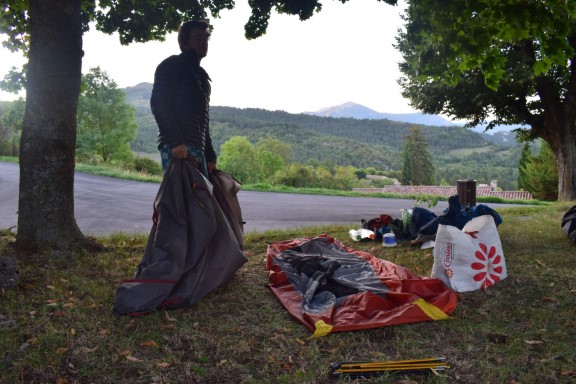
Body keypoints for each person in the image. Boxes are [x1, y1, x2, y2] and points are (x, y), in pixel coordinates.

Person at [150, 19, 216, 177]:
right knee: (178, 198)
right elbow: (159, 103)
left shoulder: (202, 78)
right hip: (177, 147)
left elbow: (203, 121)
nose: (203, 42)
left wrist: (210, 154)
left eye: (205, 38)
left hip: (197, 148)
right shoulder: (171, 65)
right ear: (184, 42)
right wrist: (175, 142)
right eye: (198, 38)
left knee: (200, 199)